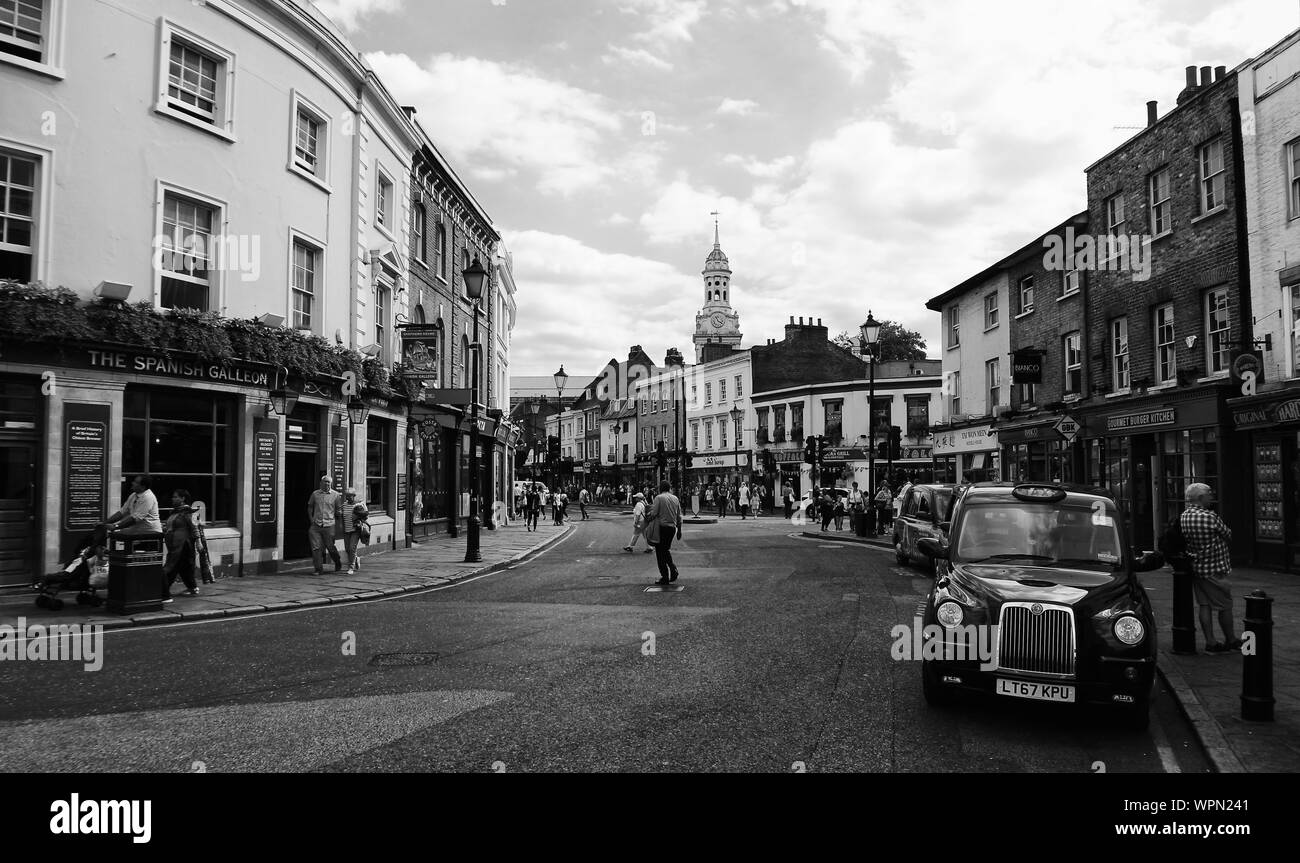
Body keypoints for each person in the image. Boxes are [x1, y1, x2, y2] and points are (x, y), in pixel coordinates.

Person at [1180, 483, 1241, 654]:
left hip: (1197, 567)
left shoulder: (1184, 516)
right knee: (1225, 605)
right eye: (1209, 493)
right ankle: (1231, 639)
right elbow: (1228, 534)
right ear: (1200, 498)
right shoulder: (1209, 517)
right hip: (1215, 568)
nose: (1212, 496)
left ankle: (1211, 642)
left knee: (1204, 605)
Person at [162, 488, 199, 598]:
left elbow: (194, 527)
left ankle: (163, 591)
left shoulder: (187, 512)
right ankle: (192, 587)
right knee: (183, 568)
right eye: (173, 497)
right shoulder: (176, 512)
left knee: (171, 567)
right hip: (175, 545)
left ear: (183, 499)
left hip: (183, 545)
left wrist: (198, 542)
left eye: (176, 497)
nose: (173, 499)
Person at [645, 481, 683, 585]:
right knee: (665, 550)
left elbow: (654, 513)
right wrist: (679, 530)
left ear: (660, 488)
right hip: (672, 528)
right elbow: (679, 516)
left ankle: (665, 576)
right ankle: (672, 569)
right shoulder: (675, 498)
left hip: (661, 528)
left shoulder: (659, 498)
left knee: (660, 553)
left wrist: (648, 517)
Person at [307, 475, 343, 575]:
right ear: (321, 483)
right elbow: (310, 507)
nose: (327, 484)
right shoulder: (315, 494)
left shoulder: (335, 495)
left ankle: (337, 562)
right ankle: (318, 569)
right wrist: (311, 520)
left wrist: (339, 518)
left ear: (331, 484)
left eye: (328, 482)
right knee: (316, 548)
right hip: (316, 525)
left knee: (330, 547)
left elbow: (338, 510)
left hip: (329, 525)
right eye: (325, 482)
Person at [341, 488, 368, 574]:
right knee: (347, 549)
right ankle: (356, 558)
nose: (348, 498)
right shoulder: (344, 505)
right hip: (346, 530)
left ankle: (351, 567)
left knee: (352, 548)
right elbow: (341, 516)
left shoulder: (358, 505)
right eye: (347, 496)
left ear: (354, 496)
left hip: (355, 530)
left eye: (350, 496)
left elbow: (366, 516)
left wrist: (359, 517)